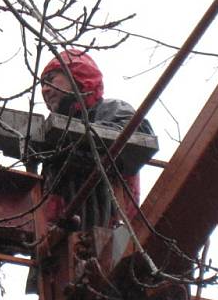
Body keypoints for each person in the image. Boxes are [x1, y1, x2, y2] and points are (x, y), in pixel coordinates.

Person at [38, 48, 154, 232]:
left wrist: (73, 148)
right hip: (62, 235)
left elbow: (139, 136)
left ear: (77, 76)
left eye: (50, 80)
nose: (44, 90)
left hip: (108, 225)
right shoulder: (53, 142)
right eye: (41, 85)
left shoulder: (111, 109)